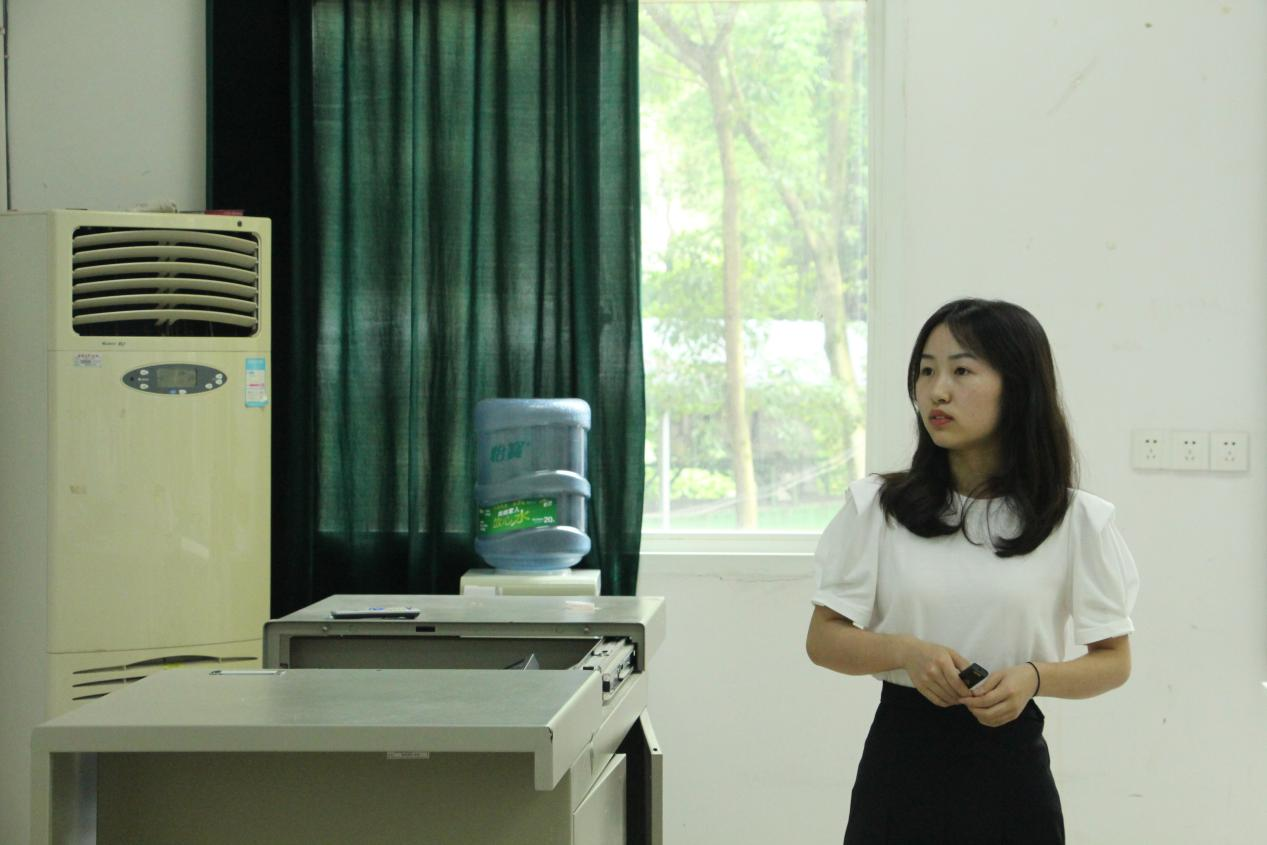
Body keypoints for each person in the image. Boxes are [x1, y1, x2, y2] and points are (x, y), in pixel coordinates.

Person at [807, 298, 1139, 844]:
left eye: (961, 371)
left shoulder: (1076, 520)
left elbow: (1114, 661)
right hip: (901, 765)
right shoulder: (877, 508)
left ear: (1019, 388)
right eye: (926, 371)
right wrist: (906, 652)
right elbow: (823, 640)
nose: (936, 391)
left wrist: (1034, 677)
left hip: (1011, 771)